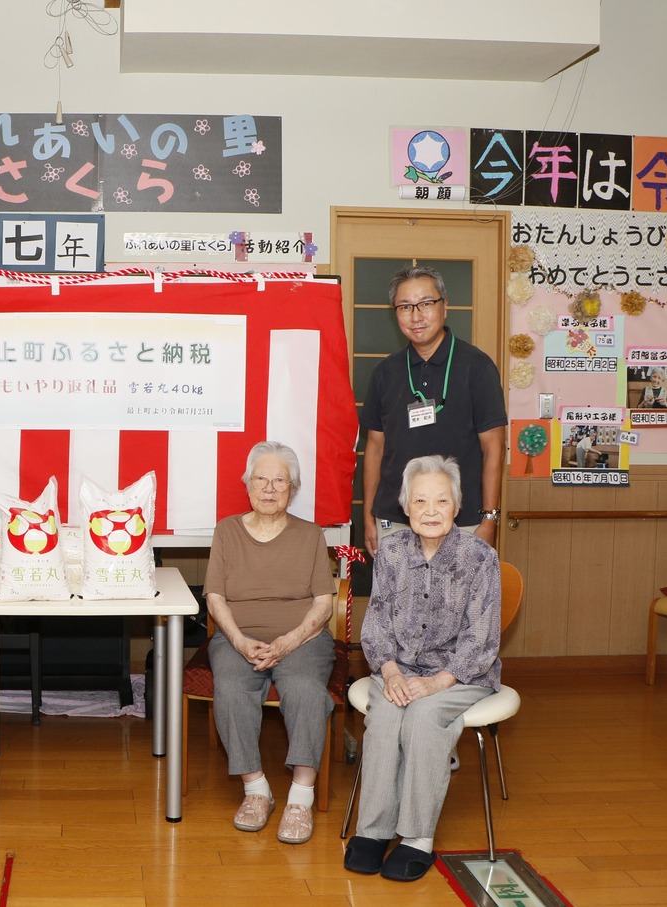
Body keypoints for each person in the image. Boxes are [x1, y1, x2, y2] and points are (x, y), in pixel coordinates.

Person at [344, 455, 501, 882]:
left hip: (461, 673)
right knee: (386, 715)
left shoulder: (480, 557)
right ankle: (374, 831)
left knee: (424, 717)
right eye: (420, 501)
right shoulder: (391, 552)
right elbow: (375, 622)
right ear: (406, 507)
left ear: (457, 506)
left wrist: (437, 682)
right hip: (399, 667)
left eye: (441, 501)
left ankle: (417, 838)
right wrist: (392, 673)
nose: (431, 511)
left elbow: (482, 637)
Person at [202, 440, 337, 846]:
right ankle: (256, 789)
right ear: (247, 484)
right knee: (231, 687)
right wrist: (240, 640)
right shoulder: (226, 531)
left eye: (281, 480)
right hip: (236, 637)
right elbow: (214, 597)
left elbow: (323, 602)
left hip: (302, 638)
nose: (270, 488)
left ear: (293, 489)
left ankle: (300, 797)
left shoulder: (310, 534)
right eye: (261, 478)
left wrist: (290, 640)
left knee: (304, 689)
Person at [361, 266, 507, 557]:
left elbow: (494, 448)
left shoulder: (477, 368)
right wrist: (369, 516)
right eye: (405, 306)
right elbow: (375, 449)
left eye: (426, 303)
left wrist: (489, 518)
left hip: (461, 521)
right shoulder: (384, 373)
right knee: (399, 602)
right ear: (396, 313)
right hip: (395, 520)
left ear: (445, 307)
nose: (416, 316)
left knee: (458, 603)